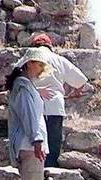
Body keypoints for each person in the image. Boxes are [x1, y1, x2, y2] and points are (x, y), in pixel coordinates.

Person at [6, 48, 52, 180]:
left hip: (27, 144)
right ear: (28, 64)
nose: (41, 68)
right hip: (29, 145)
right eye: (38, 63)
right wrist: (37, 139)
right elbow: (29, 116)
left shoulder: (25, 86)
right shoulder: (23, 86)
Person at [31, 33, 88, 167]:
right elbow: (81, 80)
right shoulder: (58, 59)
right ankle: (49, 173)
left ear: (34, 46)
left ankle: (33, 173)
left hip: (32, 105)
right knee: (52, 143)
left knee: (31, 142)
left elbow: (15, 79)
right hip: (54, 106)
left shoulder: (29, 58)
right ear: (50, 47)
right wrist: (76, 92)